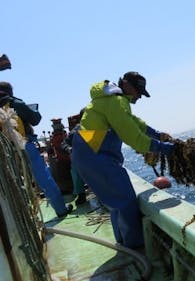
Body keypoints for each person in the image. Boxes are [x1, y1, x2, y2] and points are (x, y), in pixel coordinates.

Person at [72, 71, 174, 249]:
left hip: (88, 155)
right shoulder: (116, 102)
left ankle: (122, 241)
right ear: (126, 84)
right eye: (138, 91)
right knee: (126, 201)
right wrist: (163, 148)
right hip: (96, 156)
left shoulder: (110, 100)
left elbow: (133, 121)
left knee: (116, 200)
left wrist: (156, 133)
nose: (139, 96)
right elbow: (134, 138)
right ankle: (135, 248)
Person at [0, 81, 73, 218]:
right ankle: (61, 209)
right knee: (44, 178)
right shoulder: (16, 103)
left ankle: (25, 217)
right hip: (24, 145)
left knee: (14, 183)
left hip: (5, 150)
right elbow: (35, 119)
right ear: (10, 91)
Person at [61, 109, 87, 206]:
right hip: (82, 159)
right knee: (75, 169)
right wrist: (69, 148)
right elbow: (64, 144)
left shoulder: (98, 126)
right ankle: (81, 194)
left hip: (95, 158)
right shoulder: (76, 130)